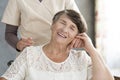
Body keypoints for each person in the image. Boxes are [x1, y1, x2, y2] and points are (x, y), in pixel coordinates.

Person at [0, 9, 114, 80]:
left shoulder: (82, 59)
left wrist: (91, 49)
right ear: (52, 25)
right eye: (62, 23)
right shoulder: (30, 54)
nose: (64, 30)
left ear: (76, 36)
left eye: (72, 28)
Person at [2, 0, 85, 52]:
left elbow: (79, 26)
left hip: (60, 53)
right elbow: (9, 33)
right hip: (30, 54)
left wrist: (78, 40)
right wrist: (18, 44)